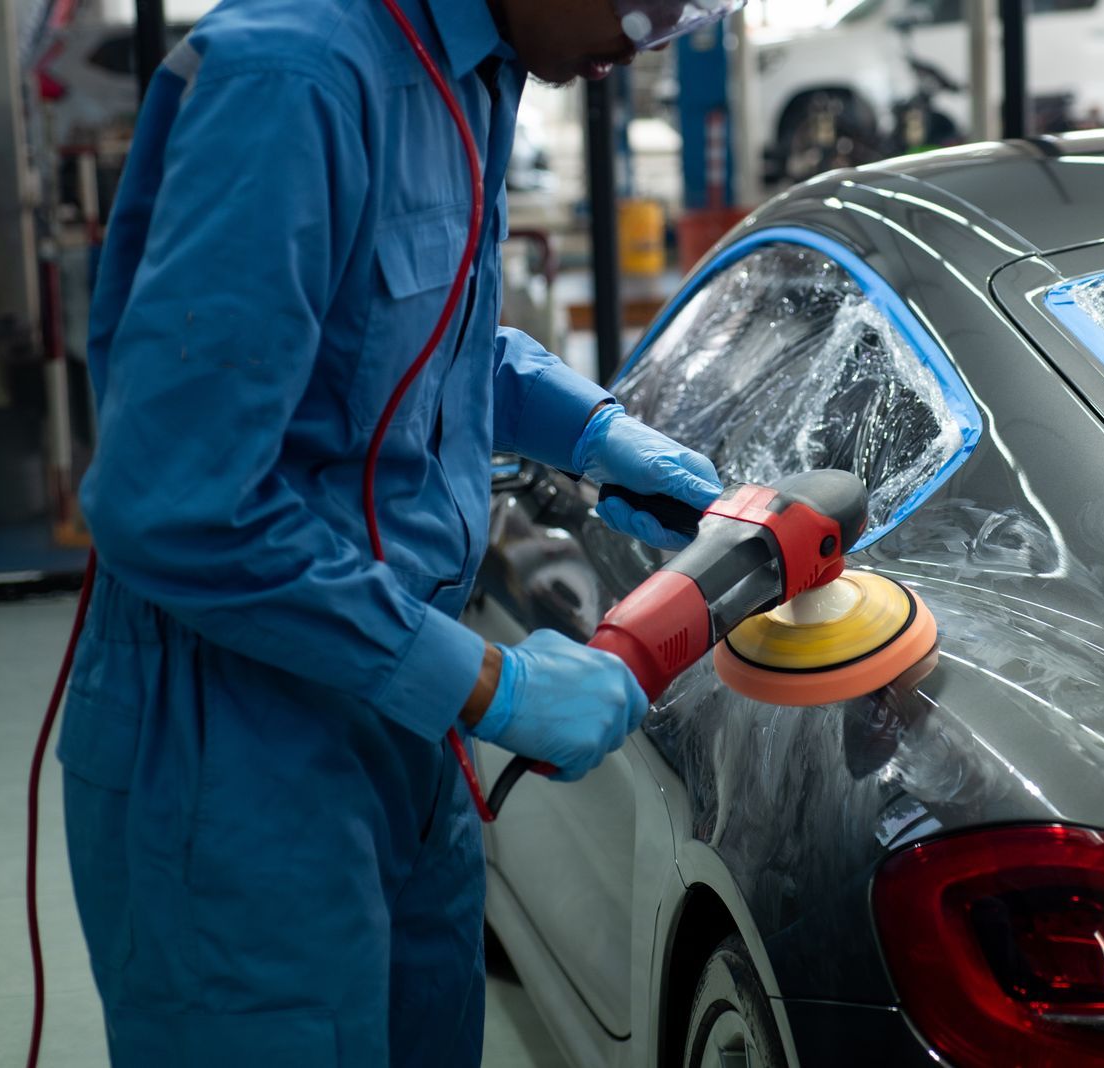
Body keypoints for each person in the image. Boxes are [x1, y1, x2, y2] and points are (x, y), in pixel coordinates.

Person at [57, 0, 739, 1063]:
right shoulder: (296, 81)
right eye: (652, 4)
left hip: (397, 719)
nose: (648, 45)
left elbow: (421, 340)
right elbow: (175, 506)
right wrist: (489, 688)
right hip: (235, 733)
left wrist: (597, 433)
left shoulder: (483, 69)